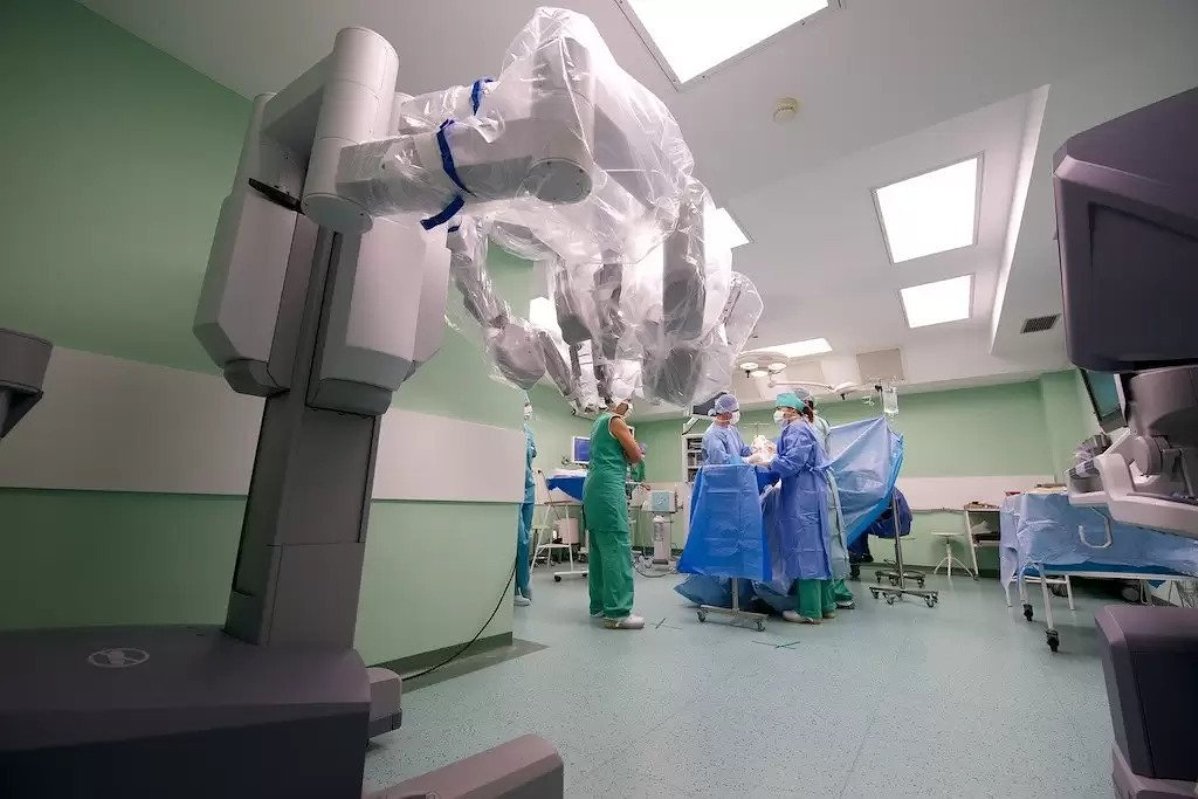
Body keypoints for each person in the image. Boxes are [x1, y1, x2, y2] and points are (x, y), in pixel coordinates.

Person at [770, 392, 836, 624]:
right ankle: (826, 605)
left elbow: (792, 463)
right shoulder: (805, 426)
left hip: (802, 494)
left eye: (780, 408)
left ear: (791, 409)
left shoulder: (796, 429)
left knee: (805, 550)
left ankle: (809, 611)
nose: (778, 413)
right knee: (817, 549)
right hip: (811, 492)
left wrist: (768, 460)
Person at [583, 397, 645, 629]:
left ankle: (599, 605)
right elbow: (636, 455)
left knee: (600, 548)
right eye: (628, 399)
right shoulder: (616, 420)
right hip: (608, 489)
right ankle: (618, 612)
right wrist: (631, 452)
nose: (629, 405)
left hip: (593, 488)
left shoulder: (598, 422)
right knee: (616, 547)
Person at [802, 400, 854, 610]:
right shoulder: (821, 423)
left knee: (817, 545)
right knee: (831, 540)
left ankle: (819, 602)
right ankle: (833, 597)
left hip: (812, 488)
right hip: (824, 484)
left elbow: (795, 460)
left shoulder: (804, 427)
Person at [515, 399, 537, 607]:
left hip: (528, 488)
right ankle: (518, 586)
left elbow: (532, 456)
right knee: (519, 540)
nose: (528, 408)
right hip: (511, 490)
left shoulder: (529, 432)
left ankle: (522, 584)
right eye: (524, 404)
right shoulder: (508, 427)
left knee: (526, 539)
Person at [701, 394, 751, 465]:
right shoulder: (712, 434)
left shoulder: (733, 430)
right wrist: (747, 460)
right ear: (725, 413)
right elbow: (720, 461)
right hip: (722, 472)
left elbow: (742, 450)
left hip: (736, 471)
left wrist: (755, 449)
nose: (737, 414)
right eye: (735, 411)